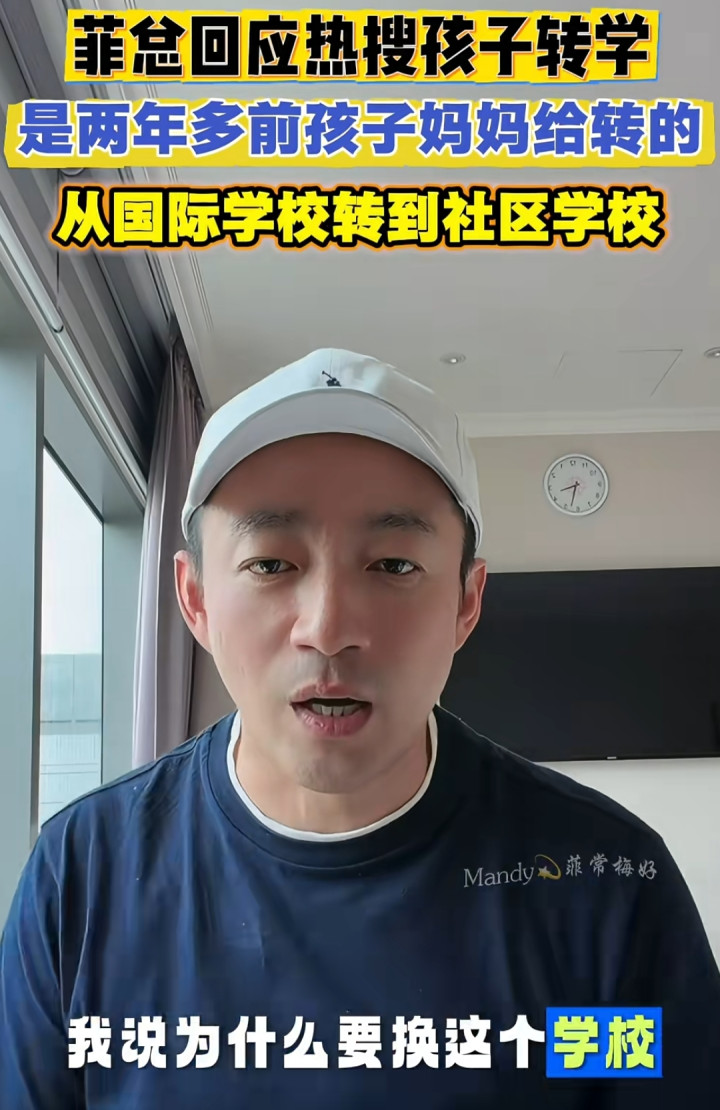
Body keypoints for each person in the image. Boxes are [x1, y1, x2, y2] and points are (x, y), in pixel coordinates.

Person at [1, 348, 718, 1108]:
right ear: (196, 599)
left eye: (394, 565)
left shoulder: (598, 887)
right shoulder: (86, 878)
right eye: (271, 564)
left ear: (466, 603)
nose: (328, 628)